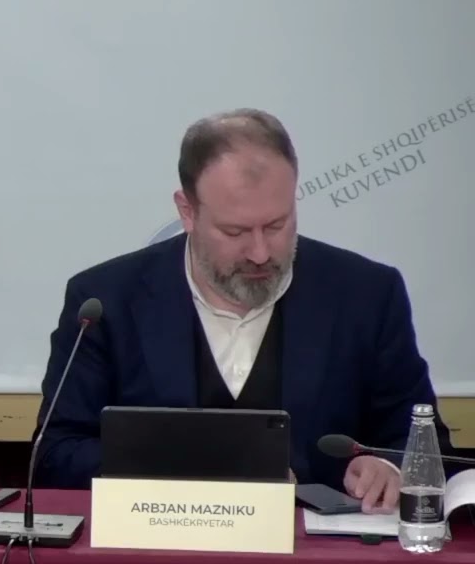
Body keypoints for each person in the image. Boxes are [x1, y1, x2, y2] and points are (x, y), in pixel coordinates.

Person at [32, 108, 456, 512]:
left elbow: (422, 440)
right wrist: (195, 474)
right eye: (234, 231)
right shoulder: (105, 301)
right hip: (158, 548)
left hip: (315, 553)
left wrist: (389, 468)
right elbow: (56, 452)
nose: (259, 253)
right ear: (187, 211)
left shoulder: (366, 294)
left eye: (276, 225)